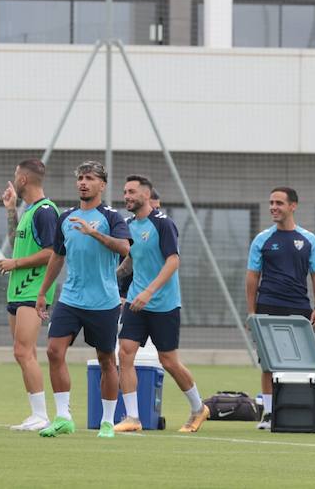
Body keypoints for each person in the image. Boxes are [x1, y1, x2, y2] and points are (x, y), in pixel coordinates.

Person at [33, 161, 131, 439]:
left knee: (106, 360)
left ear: (102, 184)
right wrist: (43, 292)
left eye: (89, 178)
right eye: (80, 178)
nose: (83, 183)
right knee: (53, 351)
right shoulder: (66, 218)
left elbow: (125, 248)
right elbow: (57, 256)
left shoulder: (112, 217)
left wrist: (94, 233)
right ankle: (63, 417)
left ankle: (108, 422)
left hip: (104, 301)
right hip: (71, 298)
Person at [113, 175, 208, 434]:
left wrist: (149, 292)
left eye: (131, 191)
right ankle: (132, 417)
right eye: (125, 192)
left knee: (169, 361)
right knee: (125, 353)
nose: (127, 196)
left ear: (146, 194)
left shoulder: (163, 224)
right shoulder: (128, 225)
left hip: (164, 304)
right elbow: (132, 261)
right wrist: (113, 278)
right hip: (135, 302)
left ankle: (199, 408)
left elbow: (173, 261)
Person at [246, 187, 315, 430]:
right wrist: (252, 312)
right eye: (271, 202)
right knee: (268, 363)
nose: (273, 207)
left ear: (293, 206)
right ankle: (269, 414)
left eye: (279, 203)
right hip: (268, 306)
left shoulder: (309, 239)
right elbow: (252, 278)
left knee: (298, 363)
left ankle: (296, 413)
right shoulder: (262, 239)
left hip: (299, 307)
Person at [0, 158, 59, 431]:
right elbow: (15, 238)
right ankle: (36, 414)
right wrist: (10, 210)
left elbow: (51, 252)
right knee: (24, 351)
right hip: (17, 291)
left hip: (33, 290)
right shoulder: (30, 211)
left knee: (23, 352)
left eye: (15, 175)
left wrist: (15, 264)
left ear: (23, 180)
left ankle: (42, 415)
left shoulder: (46, 211)